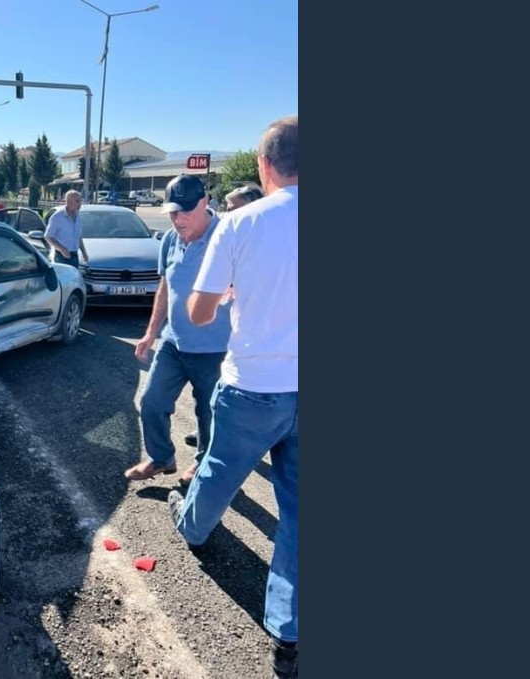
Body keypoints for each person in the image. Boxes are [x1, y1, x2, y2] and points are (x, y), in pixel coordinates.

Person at [170, 115, 298, 679]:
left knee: (220, 470)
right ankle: (288, 635)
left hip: (252, 385)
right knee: (298, 511)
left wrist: (226, 293)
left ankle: (192, 528)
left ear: (265, 165)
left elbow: (200, 311)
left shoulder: (242, 223)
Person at [123, 174, 232, 489]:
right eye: (173, 212)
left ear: (205, 202)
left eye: (186, 211)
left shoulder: (226, 236)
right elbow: (166, 287)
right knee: (152, 402)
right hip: (174, 343)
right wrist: (150, 332)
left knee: (209, 415)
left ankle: (201, 467)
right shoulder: (170, 239)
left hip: (217, 350)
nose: (179, 219)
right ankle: (161, 458)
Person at [182, 182, 267, 447]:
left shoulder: (253, 242)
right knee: (212, 394)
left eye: (233, 209)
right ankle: (209, 433)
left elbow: (200, 310)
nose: (227, 215)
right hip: (229, 337)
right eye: (227, 209)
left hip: (246, 342)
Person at [43, 190, 87, 267]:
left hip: (75, 255)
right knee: (63, 278)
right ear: (69, 202)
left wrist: (84, 252)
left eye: (80, 201)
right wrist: (62, 249)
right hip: (62, 256)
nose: (80, 204)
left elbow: (78, 237)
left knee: (74, 278)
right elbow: (48, 236)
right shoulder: (58, 217)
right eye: (77, 201)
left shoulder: (77, 216)